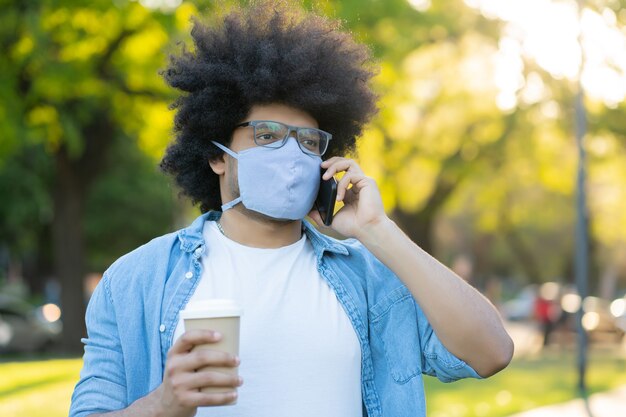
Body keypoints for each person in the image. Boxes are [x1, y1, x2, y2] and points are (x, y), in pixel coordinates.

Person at [69, 2, 513, 417]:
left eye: (307, 141)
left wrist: (378, 230)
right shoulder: (134, 281)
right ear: (216, 154)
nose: (290, 153)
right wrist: (163, 404)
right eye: (265, 135)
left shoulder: (372, 281)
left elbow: (492, 353)